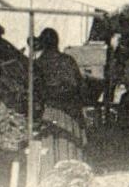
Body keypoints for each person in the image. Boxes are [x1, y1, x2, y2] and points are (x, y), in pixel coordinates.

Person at [32, 27, 87, 163]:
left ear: (43, 44)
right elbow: (78, 86)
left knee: (50, 149)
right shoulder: (68, 60)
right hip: (70, 113)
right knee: (70, 149)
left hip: (48, 112)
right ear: (57, 42)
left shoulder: (37, 63)